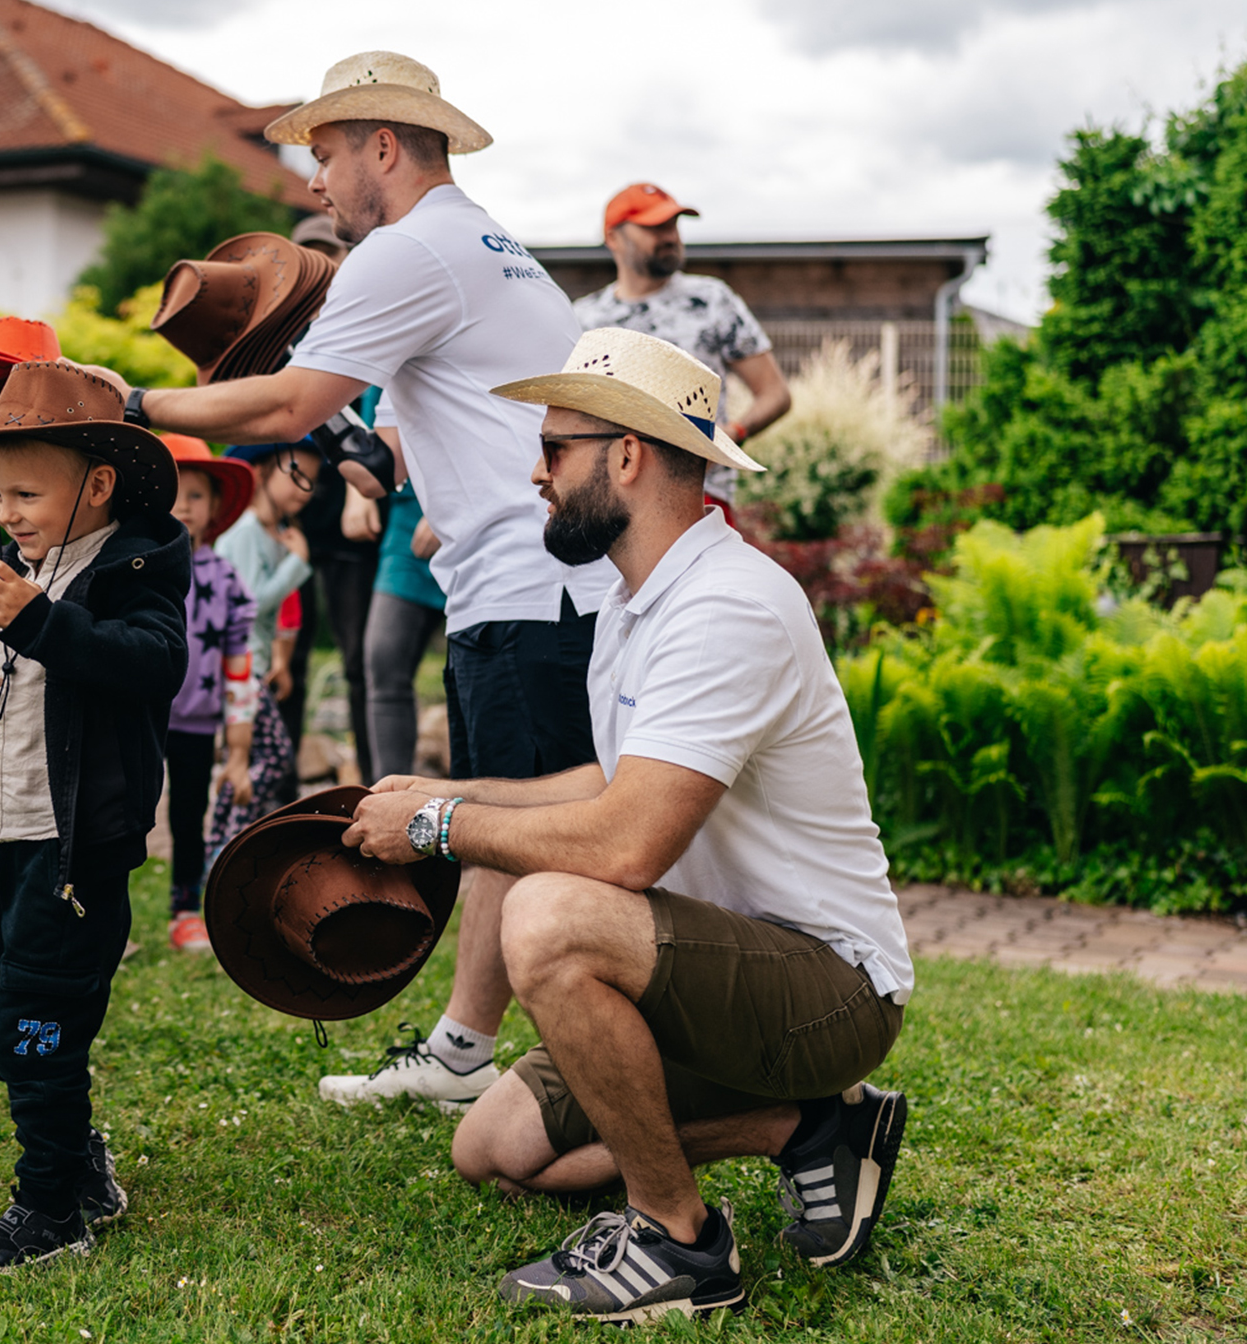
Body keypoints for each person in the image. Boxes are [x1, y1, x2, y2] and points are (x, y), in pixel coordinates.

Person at [343, 328, 912, 1321]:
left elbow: (624, 844)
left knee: (550, 916)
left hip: (826, 985)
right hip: (708, 975)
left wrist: (441, 829)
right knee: (495, 1150)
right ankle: (805, 1129)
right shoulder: (638, 601)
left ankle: (678, 1241)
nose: (535, 473)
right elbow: (610, 780)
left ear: (629, 455)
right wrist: (439, 792)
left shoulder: (727, 606)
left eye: (554, 447)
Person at [100, 51, 615, 1109]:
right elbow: (409, 413)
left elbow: (287, 406)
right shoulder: (487, 242)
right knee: (494, 831)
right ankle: (465, 1052)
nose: (312, 181)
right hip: (528, 583)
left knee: (533, 837)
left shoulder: (409, 251)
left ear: (384, 143)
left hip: (533, 593)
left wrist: (136, 404)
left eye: (325, 153)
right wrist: (387, 469)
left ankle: (598, 1059)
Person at [0, 361, 186, 1270]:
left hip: (76, 850)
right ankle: (84, 1162)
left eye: (28, 492)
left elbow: (148, 664)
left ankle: (52, 1207)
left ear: (96, 486)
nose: (7, 511)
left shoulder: (133, 573)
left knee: (34, 1025)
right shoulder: (10, 568)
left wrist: (39, 619)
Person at [572, 184, 791, 521]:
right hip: (610, 501)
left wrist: (731, 435)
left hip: (700, 497)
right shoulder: (584, 319)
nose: (670, 236)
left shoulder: (711, 300)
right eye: (653, 227)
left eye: (673, 225)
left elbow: (775, 393)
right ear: (613, 238)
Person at [160, 435, 259, 952]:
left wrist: (238, 751)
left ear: (216, 506)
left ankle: (184, 908)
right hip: (138, 717)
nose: (182, 506)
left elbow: (239, 668)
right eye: (173, 492)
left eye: (195, 495)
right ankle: (102, 906)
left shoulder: (226, 581)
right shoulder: (134, 568)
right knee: (120, 811)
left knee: (187, 815)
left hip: (197, 723)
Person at [213, 443, 314, 822]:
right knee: (272, 757)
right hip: (239, 666)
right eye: (296, 475)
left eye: (312, 481)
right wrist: (297, 564)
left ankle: (232, 832)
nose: (306, 489)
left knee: (263, 755)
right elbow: (252, 602)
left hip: (253, 664)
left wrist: (280, 660)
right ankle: (228, 833)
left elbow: (281, 614)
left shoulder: (277, 533)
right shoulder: (244, 532)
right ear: (259, 473)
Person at [347, 470, 446, 784]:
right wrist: (358, 493)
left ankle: (480, 808)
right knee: (382, 659)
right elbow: (367, 441)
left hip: (474, 524)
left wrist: (448, 508)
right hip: (405, 529)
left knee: (476, 674)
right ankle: (388, 794)